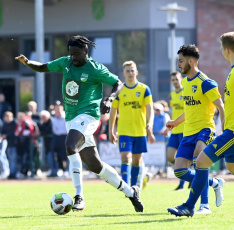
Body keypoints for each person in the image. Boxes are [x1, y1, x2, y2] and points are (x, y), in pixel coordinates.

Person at [15, 35, 144, 213]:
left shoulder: (95, 69)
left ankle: (78, 196)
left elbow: (117, 83)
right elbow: (43, 67)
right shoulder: (65, 62)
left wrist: (109, 99)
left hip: (89, 116)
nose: (73, 57)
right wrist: (28, 62)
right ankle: (131, 192)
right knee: (95, 165)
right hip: (71, 119)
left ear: (86, 51)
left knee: (70, 146)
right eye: (71, 53)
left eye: (77, 53)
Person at [167, 32, 234, 217]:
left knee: (200, 162)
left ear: (192, 61)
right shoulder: (186, 83)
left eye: (181, 61)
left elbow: (220, 105)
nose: (178, 64)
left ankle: (202, 205)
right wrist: (175, 122)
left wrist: (221, 128)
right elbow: (189, 110)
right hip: (189, 131)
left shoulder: (206, 82)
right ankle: (214, 183)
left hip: (206, 130)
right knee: (180, 171)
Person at [109, 60, 155, 188]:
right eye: (127, 71)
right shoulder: (119, 90)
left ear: (137, 72)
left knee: (136, 160)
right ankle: (125, 186)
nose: (130, 73)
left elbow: (150, 109)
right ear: (123, 73)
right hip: (124, 131)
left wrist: (149, 125)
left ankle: (134, 187)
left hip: (140, 131)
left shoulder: (144, 89)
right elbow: (113, 112)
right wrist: (111, 131)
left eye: (132, 70)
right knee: (125, 157)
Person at [167, 71, 186, 190]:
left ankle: (182, 184)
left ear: (181, 79)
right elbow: (172, 111)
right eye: (173, 80)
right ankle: (187, 172)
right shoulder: (172, 94)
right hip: (174, 130)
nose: (175, 81)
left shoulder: (186, 92)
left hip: (185, 129)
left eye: (176, 79)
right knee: (170, 157)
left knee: (182, 158)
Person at [1, 111, 17, 179]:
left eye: (8, 117)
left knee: (13, 159)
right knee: (8, 158)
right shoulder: (4, 124)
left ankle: (13, 173)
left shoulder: (14, 123)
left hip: (14, 144)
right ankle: (9, 172)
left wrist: (6, 135)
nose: (7, 118)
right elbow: (2, 131)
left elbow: (15, 133)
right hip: (7, 144)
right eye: (6, 117)